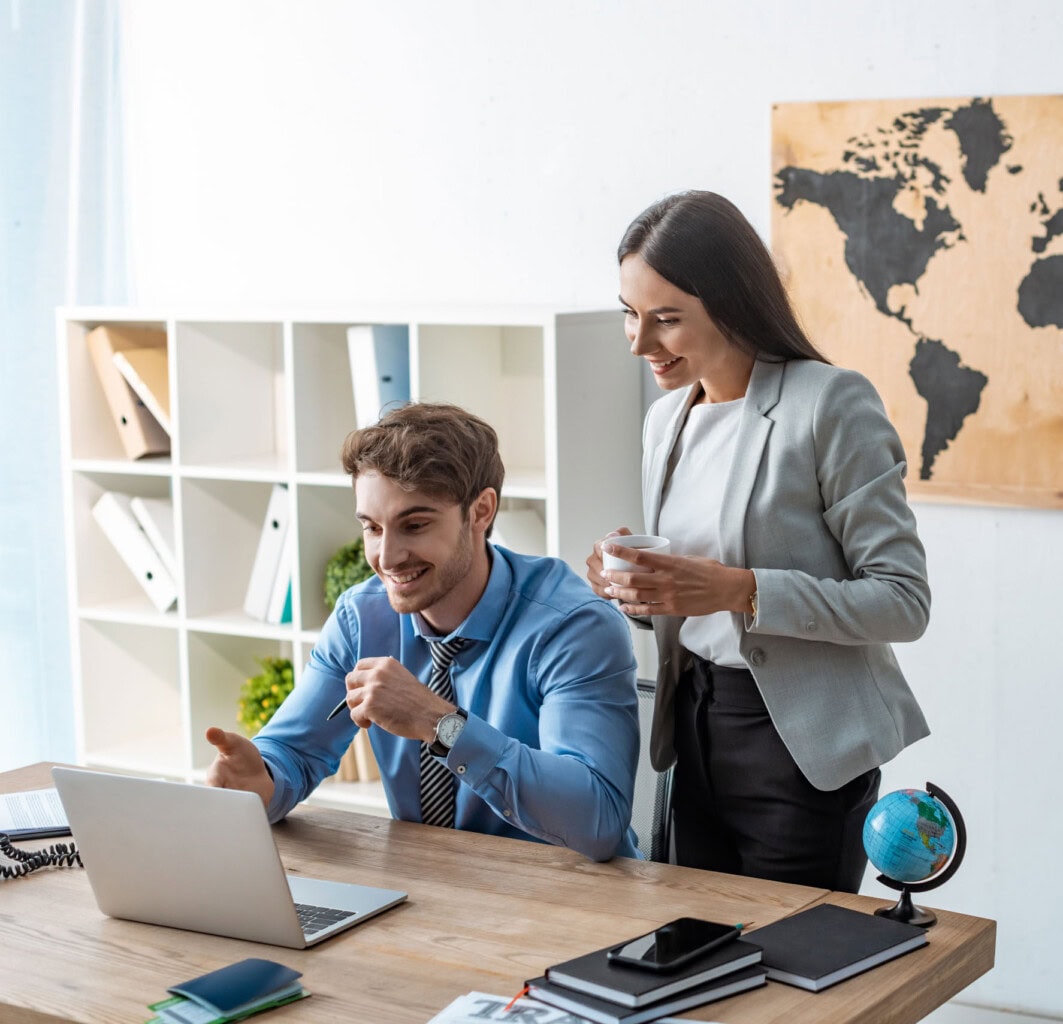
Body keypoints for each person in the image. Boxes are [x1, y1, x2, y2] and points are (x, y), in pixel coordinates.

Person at [585, 190, 931, 891]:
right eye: (629, 313)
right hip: (692, 729)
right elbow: (687, 603)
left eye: (666, 319)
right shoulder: (666, 421)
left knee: (792, 972)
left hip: (797, 743)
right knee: (702, 968)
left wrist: (739, 590)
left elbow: (902, 601)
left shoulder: (829, 404)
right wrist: (635, 590)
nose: (638, 342)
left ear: (731, 301)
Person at [207, 401, 641, 862]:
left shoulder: (573, 627)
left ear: (481, 511)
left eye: (414, 525)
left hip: (573, 903)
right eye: (372, 528)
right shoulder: (362, 617)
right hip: (429, 897)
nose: (387, 558)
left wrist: (440, 725)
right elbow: (292, 753)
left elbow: (598, 820)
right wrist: (263, 782)